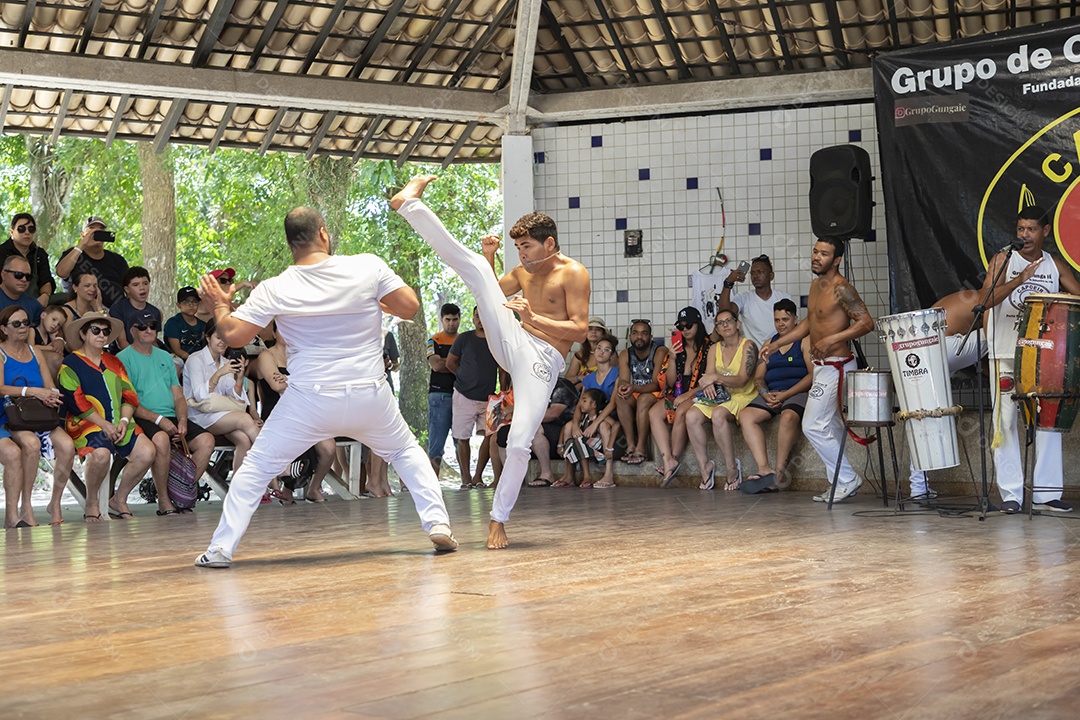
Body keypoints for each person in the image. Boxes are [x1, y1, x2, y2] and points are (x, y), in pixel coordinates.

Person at [194, 206, 458, 568]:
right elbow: (409, 307)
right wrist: (371, 298)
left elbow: (235, 334)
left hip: (310, 399)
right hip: (370, 393)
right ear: (323, 233)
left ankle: (221, 549)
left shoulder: (277, 286)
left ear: (290, 245)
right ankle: (438, 524)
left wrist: (221, 306)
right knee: (406, 452)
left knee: (256, 468)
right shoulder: (367, 265)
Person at [393, 175, 590, 550]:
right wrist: (487, 259)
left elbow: (579, 330)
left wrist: (533, 318)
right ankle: (410, 206)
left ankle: (498, 519)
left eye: (527, 247)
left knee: (517, 444)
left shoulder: (574, 273)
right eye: (516, 247)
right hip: (513, 340)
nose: (522, 255)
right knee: (477, 271)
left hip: (542, 360)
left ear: (549, 243)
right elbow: (488, 293)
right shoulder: (519, 272)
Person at [762, 236, 875, 504]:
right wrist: (779, 343)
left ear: (836, 260)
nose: (816, 257)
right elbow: (810, 324)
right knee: (831, 427)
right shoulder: (815, 286)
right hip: (823, 367)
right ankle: (839, 482)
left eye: (824, 254)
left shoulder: (842, 289)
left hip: (837, 366)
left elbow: (867, 322)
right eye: (815, 251)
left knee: (812, 425)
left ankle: (847, 479)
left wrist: (832, 339)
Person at [983, 206, 1080, 514]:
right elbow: (985, 299)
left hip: (1043, 357)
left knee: (1048, 421)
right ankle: (1011, 494)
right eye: (1021, 228)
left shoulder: (1054, 265)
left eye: (1031, 229)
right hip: (1005, 352)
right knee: (1005, 424)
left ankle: (1046, 493)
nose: (1024, 235)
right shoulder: (1002, 260)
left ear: (1045, 231)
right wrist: (1019, 279)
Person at [58, 311, 155, 522]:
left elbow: (129, 396)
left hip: (120, 422)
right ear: (83, 334)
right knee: (101, 455)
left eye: (105, 331)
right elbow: (76, 403)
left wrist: (123, 421)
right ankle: (92, 501)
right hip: (87, 423)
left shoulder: (114, 362)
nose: (101, 334)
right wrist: (104, 425)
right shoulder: (70, 363)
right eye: (95, 330)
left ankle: (119, 499)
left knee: (147, 452)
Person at [117, 310, 216, 516]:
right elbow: (129, 401)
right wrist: (159, 420)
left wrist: (182, 419)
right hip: (142, 416)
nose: (149, 330)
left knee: (206, 440)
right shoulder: (122, 358)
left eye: (153, 326)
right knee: (161, 439)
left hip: (170, 415)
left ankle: (180, 492)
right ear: (132, 330)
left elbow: (178, 396)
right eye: (143, 327)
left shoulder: (164, 356)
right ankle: (163, 498)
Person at [902, 289, 987, 500]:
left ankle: (918, 487)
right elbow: (986, 348)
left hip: (918, 350)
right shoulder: (988, 300)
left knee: (922, 415)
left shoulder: (962, 298)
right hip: (941, 348)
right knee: (1002, 330)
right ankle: (919, 486)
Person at [0, 306, 75, 527]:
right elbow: (1, 388)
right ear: (4, 328)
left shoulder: (35, 352)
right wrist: (31, 391)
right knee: (31, 444)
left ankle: (55, 502)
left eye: (25, 323)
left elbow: (49, 386)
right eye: (16, 324)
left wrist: (52, 396)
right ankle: (26, 506)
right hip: (11, 415)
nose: (22, 327)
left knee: (67, 446)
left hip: (38, 414)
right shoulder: (1, 353)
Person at [256, 322, 336, 504]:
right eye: (283, 330)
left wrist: (290, 380)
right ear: (275, 333)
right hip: (278, 414)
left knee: (328, 447)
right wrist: (299, 381)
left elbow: (318, 383)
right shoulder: (266, 356)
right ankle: (288, 489)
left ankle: (314, 488)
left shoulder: (301, 357)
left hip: (305, 411)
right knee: (295, 437)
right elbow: (276, 386)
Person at [738, 299, 812, 493]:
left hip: (797, 392)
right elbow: (759, 376)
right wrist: (763, 392)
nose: (781, 324)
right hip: (771, 393)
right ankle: (764, 468)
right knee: (745, 416)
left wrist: (787, 394)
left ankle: (779, 474)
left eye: (785, 319)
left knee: (788, 416)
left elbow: (813, 376)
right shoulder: (768, 344)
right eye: (777, 319)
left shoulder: (805, 340)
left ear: (796, 319)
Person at [686, 307, 759, 490]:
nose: (725, 325)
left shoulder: (748, 346)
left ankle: (732, 467)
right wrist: (709, 383)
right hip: (719, 396)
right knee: (691, 416)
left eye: (729, 321)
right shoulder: (714, 348)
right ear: (716, 329)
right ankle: (705, 467)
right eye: (720, 323)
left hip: (742, 395)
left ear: (737, 324)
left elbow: (742, 380)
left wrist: (715, 378)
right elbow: (709, 375)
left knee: (718, 415)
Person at [182, 319, 261, 481]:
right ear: (207, 337)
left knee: (244, 440)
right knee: (245, 419)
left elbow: (235, 398)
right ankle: (277, 467)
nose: (223, 342)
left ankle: (238, 489)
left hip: (223, 415)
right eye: (218, 337)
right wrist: (218, 374)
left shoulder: (226, 362)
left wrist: (239, 379)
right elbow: (200, 396)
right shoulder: (195, 359)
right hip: (198, 416)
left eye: (226, 338)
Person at [650, 306, 713, 487]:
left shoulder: (709, 347)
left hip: (700, 394)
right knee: (654, 413)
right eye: (681, 326)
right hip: (677, 394)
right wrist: (672, 357)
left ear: (698, 325)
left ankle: (675, 458)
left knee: (682, 411)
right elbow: (669, 382)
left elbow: (707, 380)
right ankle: (668, 459)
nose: (684, 330)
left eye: (688, 325)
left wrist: (687, 395)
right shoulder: (678, 349)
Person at [447, 307, 501, 489]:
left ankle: (478, 476)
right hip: (463, 394)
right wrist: (463, 377)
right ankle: (466, 479)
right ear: (472, 319)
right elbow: (450, 362)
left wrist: (500, 393)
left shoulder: (496, 341)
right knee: (462, 437)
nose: (480, 320)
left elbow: (502, 369)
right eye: (477, 316)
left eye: (483, 316)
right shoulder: (464, 339)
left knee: (490, 435)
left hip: (488, 397)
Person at [614, 320, 667, 465]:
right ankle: (631, 445)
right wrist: (624, 387)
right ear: (630, 336)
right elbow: (624, 380)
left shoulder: (659, 351)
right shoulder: (625, 354)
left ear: (651, 336)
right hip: (638, 391)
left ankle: (641, 447)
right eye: (635, 333)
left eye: (644, 333)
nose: (639, 337)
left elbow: (656, 384)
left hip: (657, 394)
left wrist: (634, 388)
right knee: (621, 398)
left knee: (643, 399)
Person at [714, 254, 793, 347]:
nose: (755, 276)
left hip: (779, 353)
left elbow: (793, 327)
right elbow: (724, 313)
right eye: (752, 273)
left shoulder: (783, 298)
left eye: (760, 272)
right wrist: (728, 283)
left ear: (771, 276)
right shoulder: (744, 298)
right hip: (752, 355)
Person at [55, 216, 129, 308]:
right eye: (92, 229)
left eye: (101, 229)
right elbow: (61, 272)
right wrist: (82, 244)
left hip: (117, 310)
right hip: (82, 310)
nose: (96, 231)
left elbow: (130, 288)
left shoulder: (117, 260)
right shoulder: (73, 254)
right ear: (83, 235)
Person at [554, 388, 617, 489]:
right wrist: (560, 444)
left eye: (584, 401)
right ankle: (569, 475)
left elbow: (616, 425)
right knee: (574, 440)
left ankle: (588, 476)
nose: (581, 404)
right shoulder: (585, 417)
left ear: (594, 404)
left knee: (578, 441)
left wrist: (609, 447)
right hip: (585, 447)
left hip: (600, 451)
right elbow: (566, 427)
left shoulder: (600, 415)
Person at [522, 376, 578, 487]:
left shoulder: (562, 386)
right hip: (539, 429)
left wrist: (520, 415)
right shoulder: (532, 387)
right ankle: (507, 478)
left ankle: (547, 474)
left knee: (534, 429)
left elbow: (553, 414)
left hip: (562, 430)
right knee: (501, 434)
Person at [426, 302, 460, 474]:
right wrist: (456, 364)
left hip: (461, 395)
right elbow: (436, 366)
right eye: (448, 320)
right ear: (442, 320)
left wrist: (445, 361)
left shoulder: (464, 340)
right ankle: (432, 481)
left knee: (461, 441)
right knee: (436, 443)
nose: (451, 323)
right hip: (439, 395)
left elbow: (469, 366)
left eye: (454, 319)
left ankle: (466, 481)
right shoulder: (434, 340)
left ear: (460, 319)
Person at [0, 213, 54, 306]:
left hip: (35, 301)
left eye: (31, 229)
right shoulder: (2, 252)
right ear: (12, 232)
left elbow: (46, 280)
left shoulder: (39, 254)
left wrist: (45, 296)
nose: (27, 232)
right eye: (21, 229)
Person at [110, 267, 163, 349]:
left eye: (145, 283)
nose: (142, 288)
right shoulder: (118, 309)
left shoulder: (155, 311)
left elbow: (153, 342)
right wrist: (137, 359)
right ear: (127, 289)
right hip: (125, 356)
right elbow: (122, 342)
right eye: (136, 285)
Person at [163, 286, 208, 362]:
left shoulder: (202, 325)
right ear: (178, 305)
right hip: (177, 359)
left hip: (200, 360)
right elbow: (176, 350)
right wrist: (193, 360)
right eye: (186, 301)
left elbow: (205, 347)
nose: (191, 305)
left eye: (195, 301)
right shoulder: (173, 323)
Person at [565, 316, 608, 389]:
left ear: (603, 334)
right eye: (590, 329)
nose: (593, 332)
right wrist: (579, 378)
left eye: (598, 330)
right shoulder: (579, 355)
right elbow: (567, 380)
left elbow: (614, 378)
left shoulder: (609, 353)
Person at [0, 256, 44, 325]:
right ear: (4, 275)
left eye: (28, 277)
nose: (24, 280)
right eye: (18, 275)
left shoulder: (34, 304)